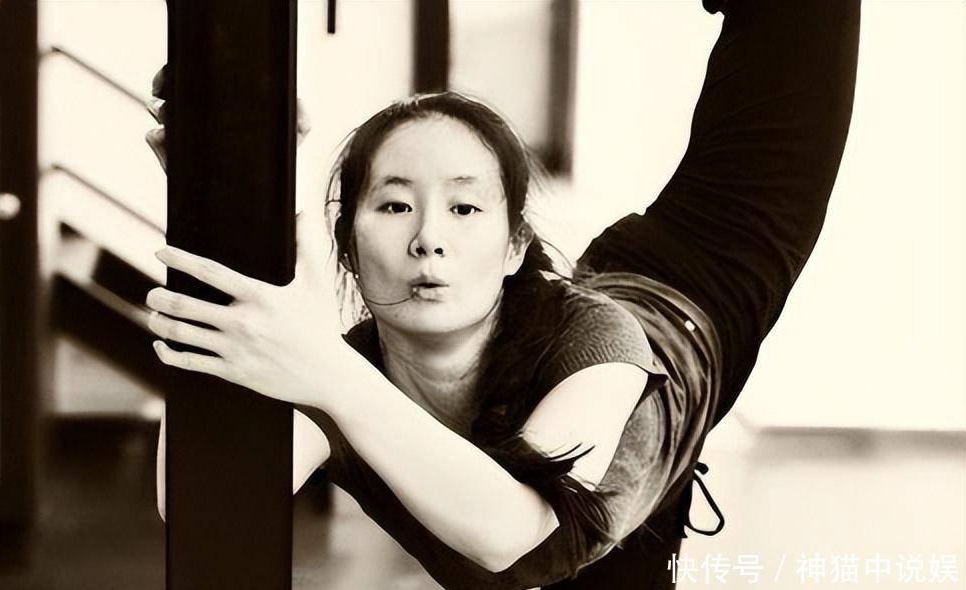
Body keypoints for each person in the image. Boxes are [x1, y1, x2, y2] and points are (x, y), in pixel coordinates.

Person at [145, 0, 861, 587]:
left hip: (689, 290)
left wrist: (326, 370)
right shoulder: (341, 378)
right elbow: (203, 502)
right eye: (394, 206)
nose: (429, 239)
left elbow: (517, 539)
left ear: (514, 246)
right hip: (605, 519)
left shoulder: (601, 343)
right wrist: (221, 203)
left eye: (464, 208)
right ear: (350, 248)